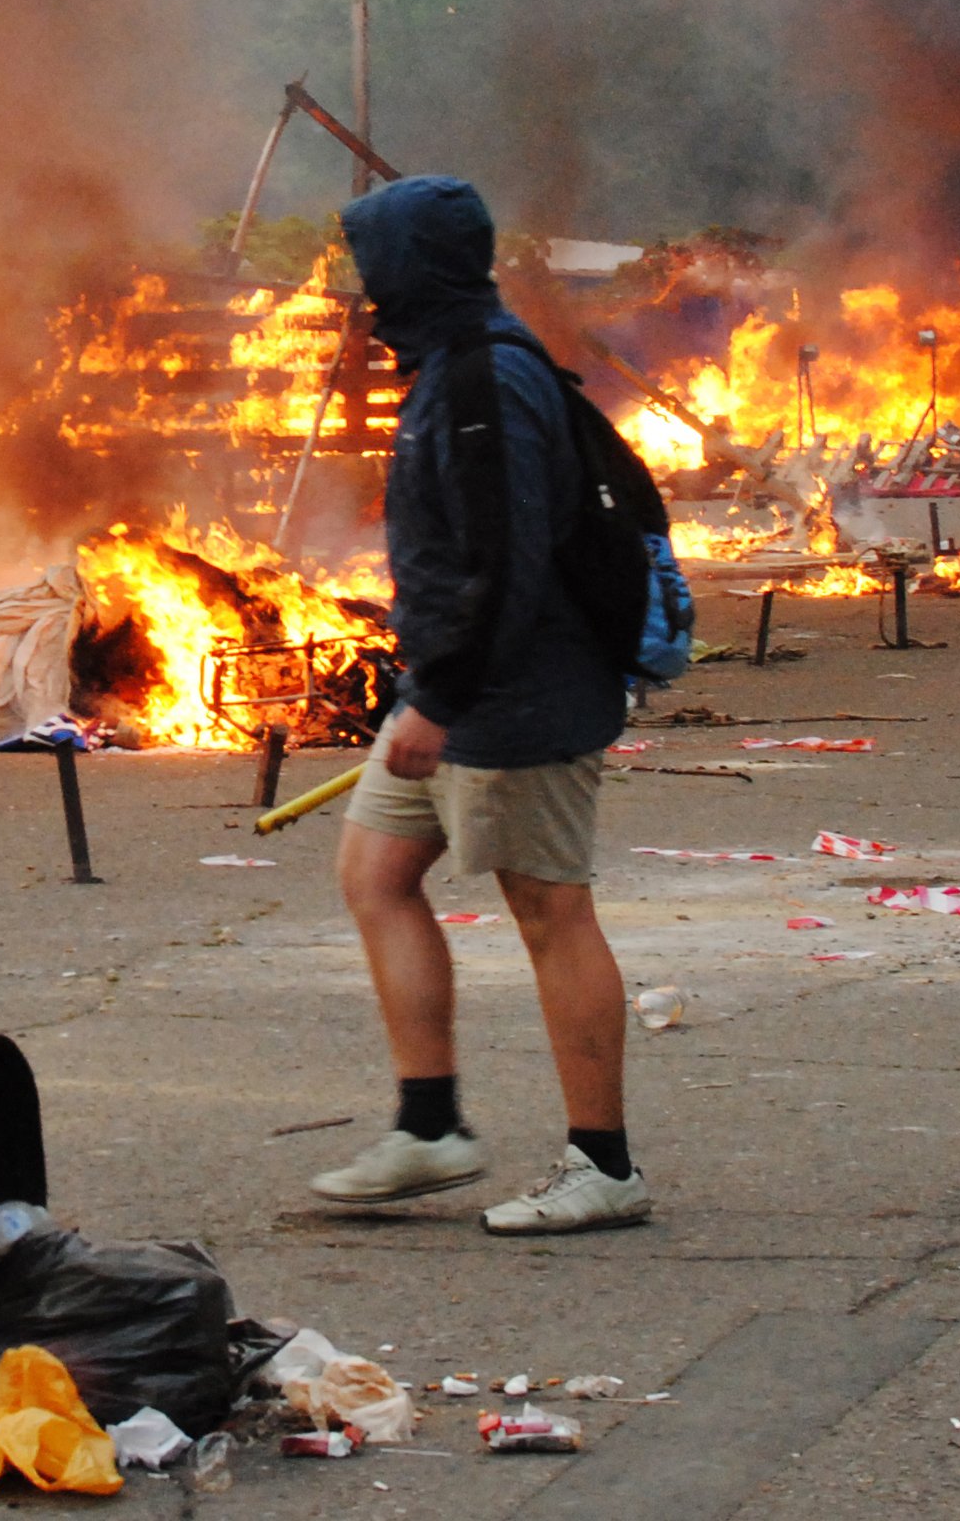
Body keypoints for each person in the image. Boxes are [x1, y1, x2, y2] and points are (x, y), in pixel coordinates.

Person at [305, 175, 651, 1234]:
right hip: (455, 683)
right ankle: (428, 1128)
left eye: (374, 268)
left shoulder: (481, 382)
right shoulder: (452, 364)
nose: (362, 293)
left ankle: (605, 1168)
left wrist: (440, 700)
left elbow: (507, 558)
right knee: (373, 873)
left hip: (512, 696)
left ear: (412, 268)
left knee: (551, 913)